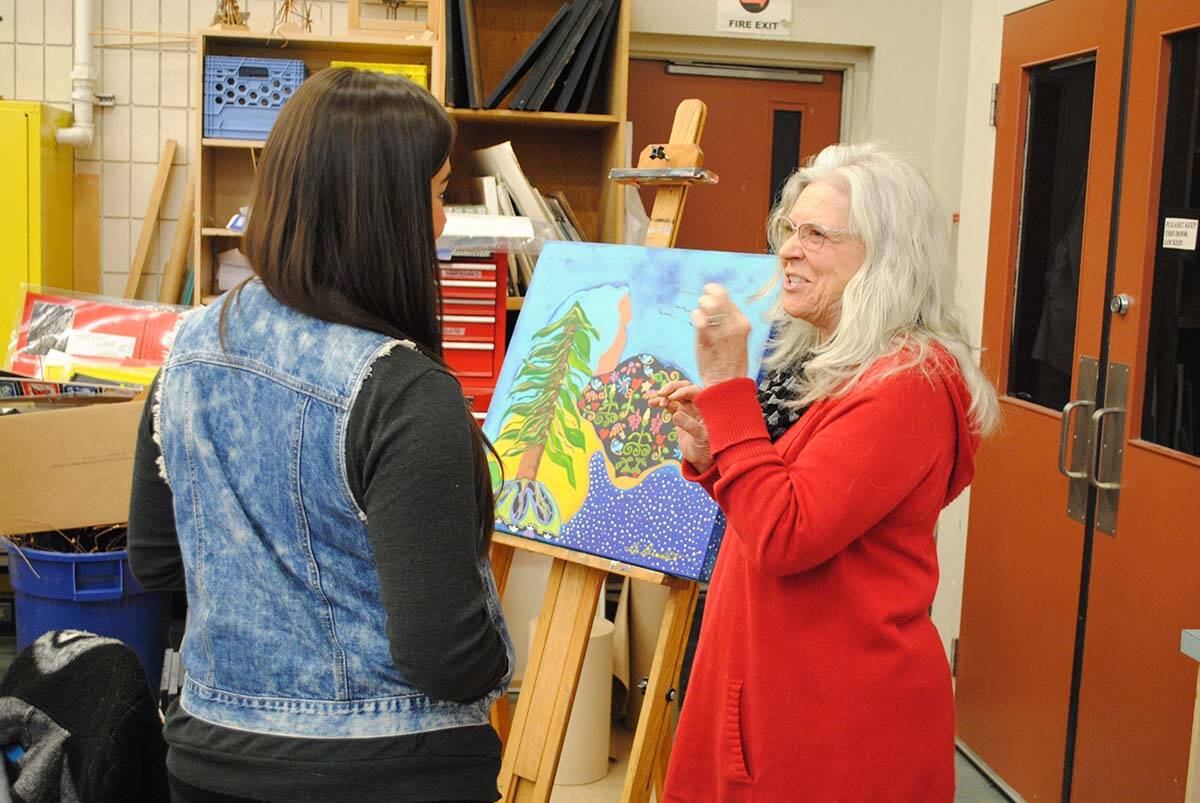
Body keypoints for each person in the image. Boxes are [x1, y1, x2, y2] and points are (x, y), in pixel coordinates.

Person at [127, 68, 514, 803]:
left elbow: (153, 560)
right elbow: (443, 651)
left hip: (208, 756)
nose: (441, 223)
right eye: (435, 195)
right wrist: (498, 658)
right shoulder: (402, 392)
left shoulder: (187, 349)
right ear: (382, 210)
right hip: (388, 769)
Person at [651, 142, 999, 802]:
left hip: (834, 730)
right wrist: (713, 452)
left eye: (816, 233)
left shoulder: (907, 384)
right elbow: (775, 508)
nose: (788, 248)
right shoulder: (832, 370)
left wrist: (727, 385)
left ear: (885, 256)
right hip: (785, 703)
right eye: (789, 229)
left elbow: (787, 535)